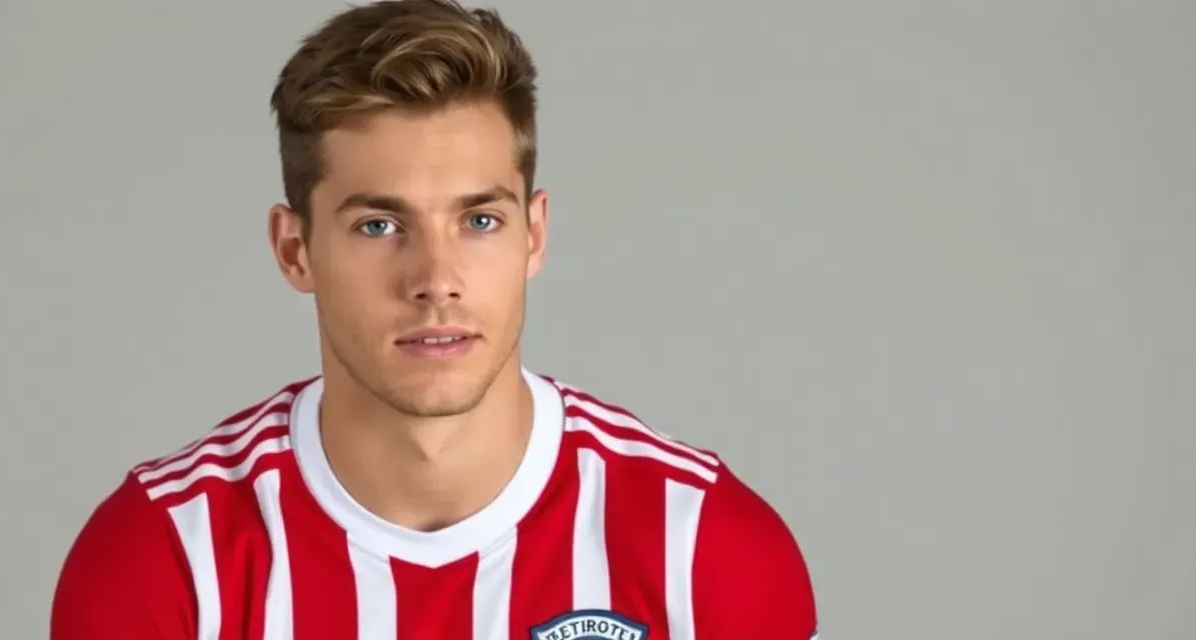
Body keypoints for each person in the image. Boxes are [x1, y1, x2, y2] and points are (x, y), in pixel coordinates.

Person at [50, 1, 818, 638]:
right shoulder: (166, 557)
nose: (435, 280)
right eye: (379, 227)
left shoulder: (705, 548)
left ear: (535, 235)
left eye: (479, 221)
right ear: (295, 250)